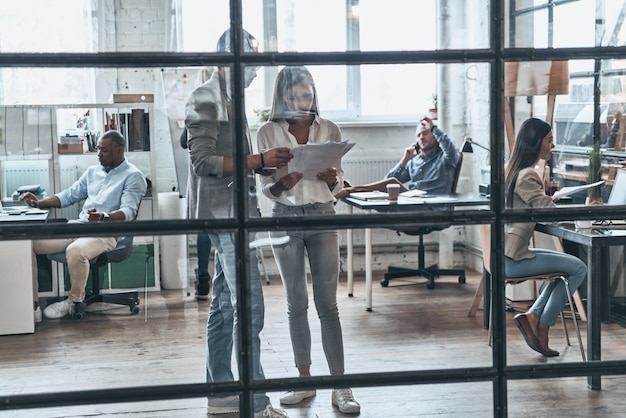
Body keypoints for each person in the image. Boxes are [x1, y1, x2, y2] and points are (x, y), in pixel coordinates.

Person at [184, 28, 292, 418]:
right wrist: (260, 160)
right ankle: (255, 401)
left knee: (225, 304)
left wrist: (263, 164)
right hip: (222, 214)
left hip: (236, 214)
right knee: (251, 305)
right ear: (227, 57)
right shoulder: (206, 96)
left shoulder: (230, 97)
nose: (256, 69)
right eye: (250, 59)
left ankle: (221, 392)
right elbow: (203, 163)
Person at [257, 66, 361, 414]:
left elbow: (338, 185)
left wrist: (333, 179)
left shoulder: (328, 129)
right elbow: (265, 188)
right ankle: (304, 381)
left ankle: (340, 386)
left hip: (321, 216)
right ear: (281, 98)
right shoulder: (268, 132)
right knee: (295, 302)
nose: (301, 103)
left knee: (327, 305)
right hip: (284, 218)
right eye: (293, 97)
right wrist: (280, 186)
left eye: (306, 95)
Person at [20, 130, 147, 320]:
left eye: (104, 150)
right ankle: (33, 305)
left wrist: (104, 217)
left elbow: (128, 212)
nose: (99, 154)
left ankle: (74, 301)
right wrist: (38, 202)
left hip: (106, 232)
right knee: (29, 244)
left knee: (75, 250)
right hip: (80, 225)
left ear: (119, 150)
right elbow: (69, 196)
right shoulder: (92, 172)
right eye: (98, 149)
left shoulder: (133, 176)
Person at [504, 117, 586, 357]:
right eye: (549, 141)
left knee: (565, 270)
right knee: (578, 268)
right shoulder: (528, 175)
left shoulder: (511, 170)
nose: (553, 146)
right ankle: (543, 324)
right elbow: (549, 215)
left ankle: (534, 316)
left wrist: (547, 200)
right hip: (513, 259)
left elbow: (536, 207)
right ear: (535, 143)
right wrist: (552, 202)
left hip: (505, 253)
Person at [333, 116, 458, 199]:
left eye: (425, 133)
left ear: (435, 135)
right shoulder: (414, 162)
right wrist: (404, 161)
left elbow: (449, 146)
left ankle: (350, 190)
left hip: (433, 207)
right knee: (390, 185)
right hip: (412, 203)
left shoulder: (446, 158)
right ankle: (352, 191)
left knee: (392, 183)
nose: (421, 137)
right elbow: (386, 183)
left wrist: (434, 127)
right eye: (418, 135)